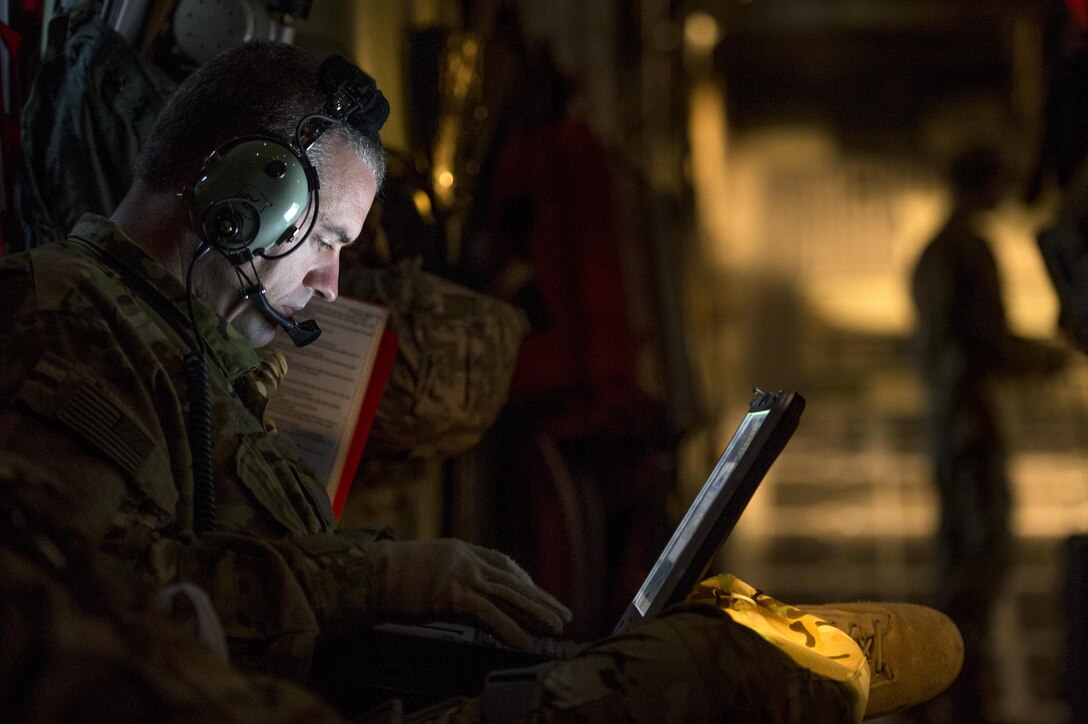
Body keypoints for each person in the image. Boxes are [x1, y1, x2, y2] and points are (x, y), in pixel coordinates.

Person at [0, 39, 961, 722]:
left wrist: (406, 589)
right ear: (245, 200)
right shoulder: (64, 323)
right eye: (329, 240)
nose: (333, 285)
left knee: (696, 659)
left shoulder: (175, 346)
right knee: (710, 674)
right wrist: (386, 577)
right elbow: (105, 607)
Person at [910, 145, 1068, 722]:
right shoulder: (970, 249)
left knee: (958, 553)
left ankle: (941, 680)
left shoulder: (932, 251)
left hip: (945, 422)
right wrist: (1049, 358)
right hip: (972, 421)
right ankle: (939, 679)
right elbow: (988, 342)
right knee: (983, 558)